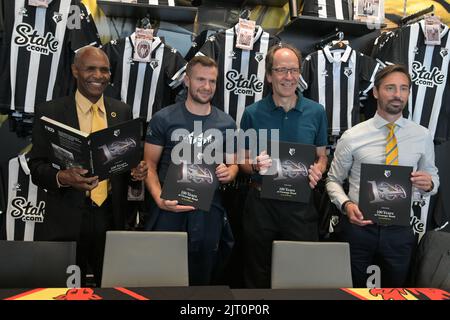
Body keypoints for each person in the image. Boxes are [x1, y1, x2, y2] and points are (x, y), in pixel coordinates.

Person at [29, 46, 148, 286]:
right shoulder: (50, 111)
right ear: (75, 71)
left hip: (111, 217)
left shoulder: (122, 111)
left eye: (105, 70)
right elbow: (36, 167)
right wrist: (62, 176)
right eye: (90, 68)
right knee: (66, 290)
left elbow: (127, 166)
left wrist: (137, 173)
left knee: (113, 288)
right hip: (67, 218)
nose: (99, 75)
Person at [326, 64, 439, 288]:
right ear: (376, 92)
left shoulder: (422, 136)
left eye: (403, 88)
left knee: (395, 292)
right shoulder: (353, 136)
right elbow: (333, 180)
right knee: (352, 291)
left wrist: (429, 184)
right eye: (390, 88)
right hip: (359, 229)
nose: (398, 95)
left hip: (400, 232)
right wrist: (346, 205)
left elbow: (433, 177)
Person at [239, 43, 328, 288]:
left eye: (293, 70)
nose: (288, 77)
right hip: (261, 206)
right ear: (269, 76)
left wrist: (319, 168)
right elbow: (242, 160)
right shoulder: (252, 113)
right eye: (281, 70)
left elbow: (322, 155)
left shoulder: (317, 112)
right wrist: (255, 166)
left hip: (301, 207)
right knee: (257, 274)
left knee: (301, 274)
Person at [143, 56, 238, 285]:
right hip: (169, 210)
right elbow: (149, 165)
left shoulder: (227, 123)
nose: (207, 87)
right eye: (200, 79)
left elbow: (234, 164)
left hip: (208, 211)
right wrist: (158, 199)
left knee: (202, 278)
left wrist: (230, 172)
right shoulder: (163, 118)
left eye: (212, 81)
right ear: (187, 80)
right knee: (162, 278)